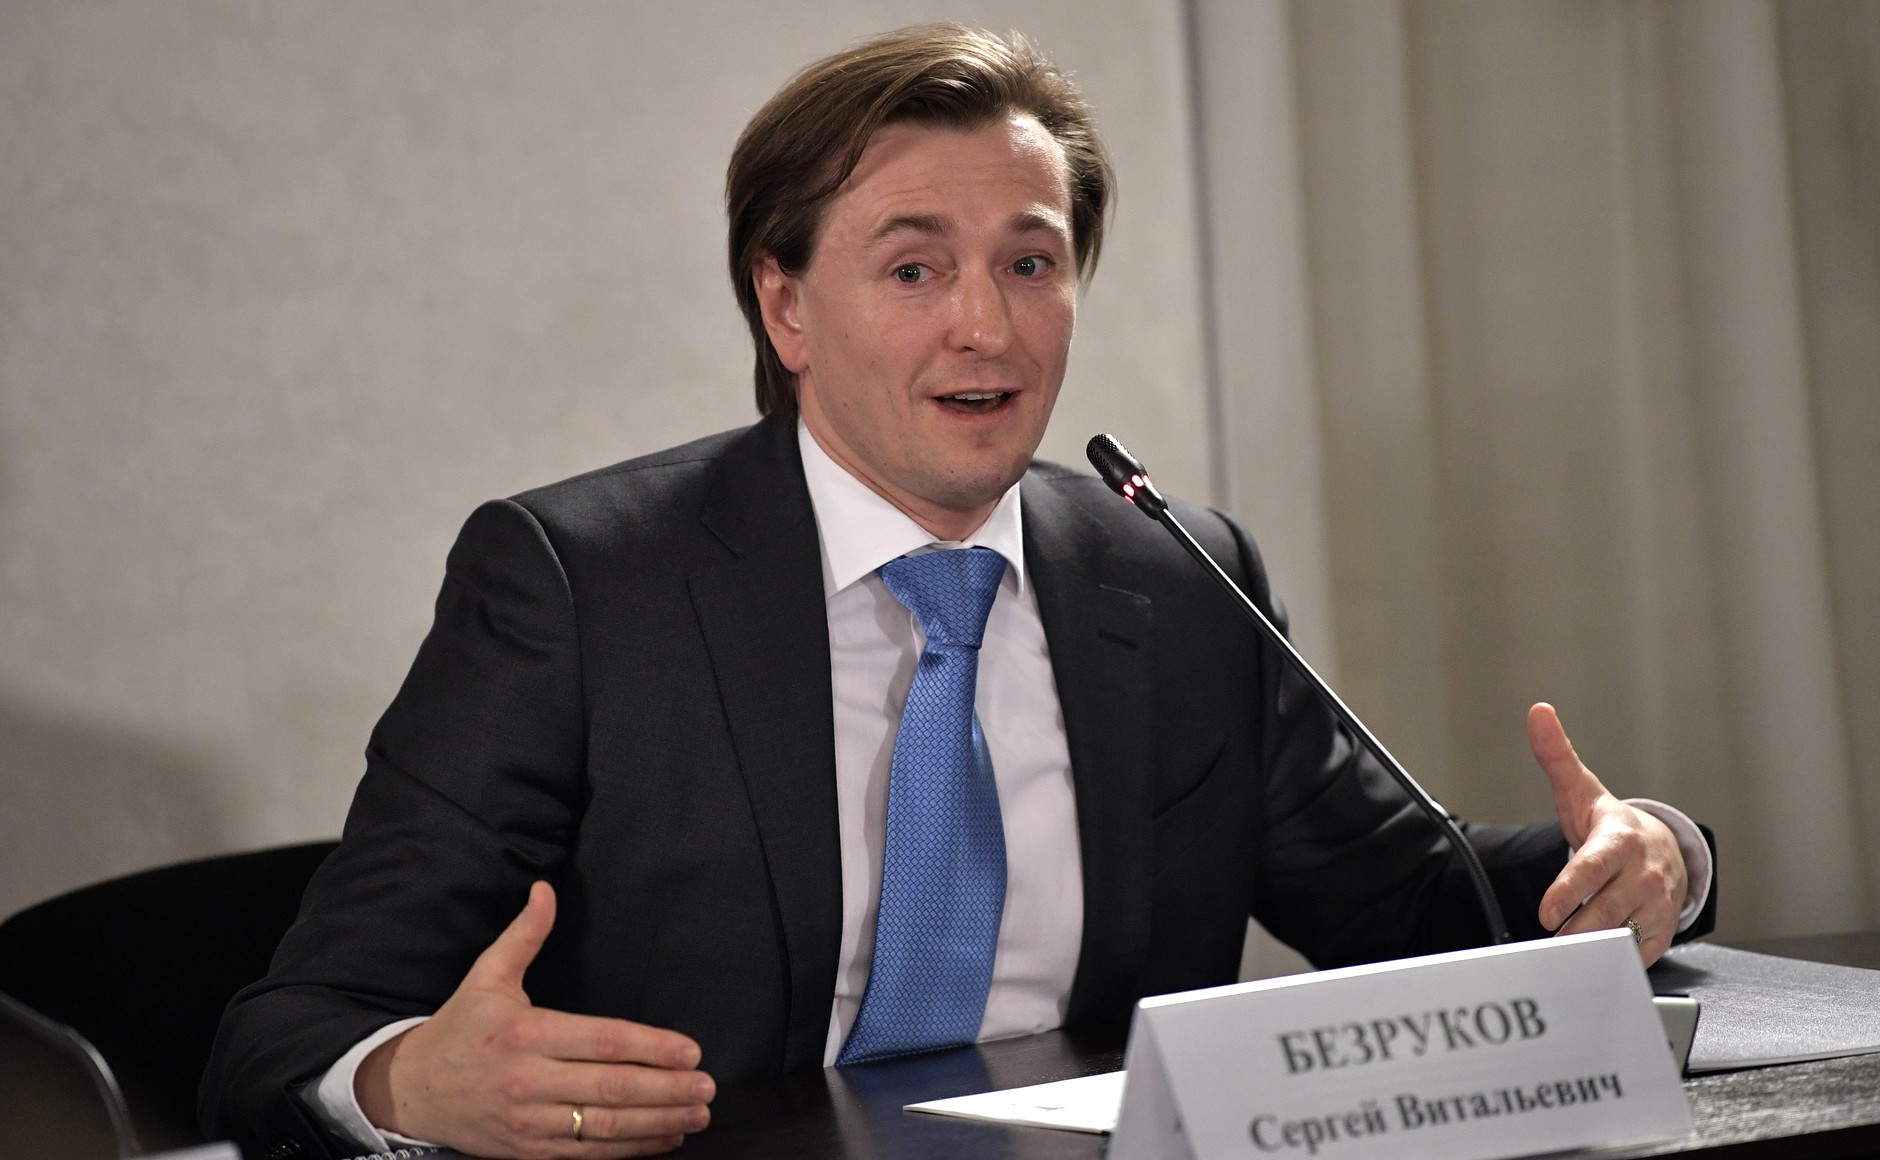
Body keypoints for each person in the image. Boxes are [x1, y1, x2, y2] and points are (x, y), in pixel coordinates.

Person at [201, 24, 1715, 1160]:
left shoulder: (1173, 573)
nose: (986, 327)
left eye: (1032, 265)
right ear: (784, 305)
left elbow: (1415, 908)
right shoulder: (582, 587)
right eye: (915, 270)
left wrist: (1649, 859)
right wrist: (409, 1082)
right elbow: (287, 1034)